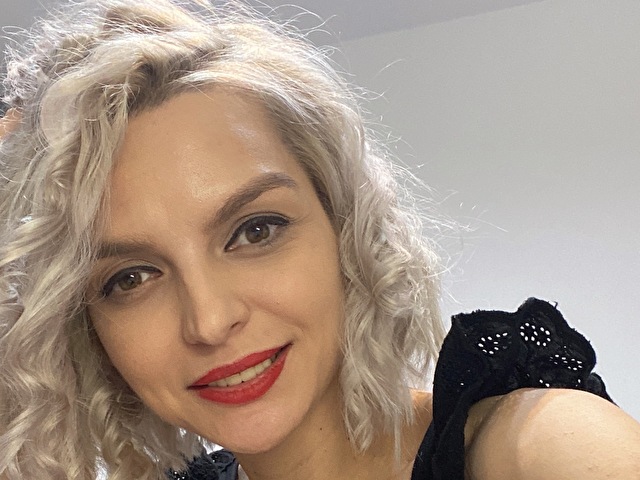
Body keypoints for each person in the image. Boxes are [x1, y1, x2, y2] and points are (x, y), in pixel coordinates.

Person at [0, 1, 638, 479]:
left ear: (344, 229)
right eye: (130, 278)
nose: (210, 321)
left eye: (255, 230)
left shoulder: (538, 447)